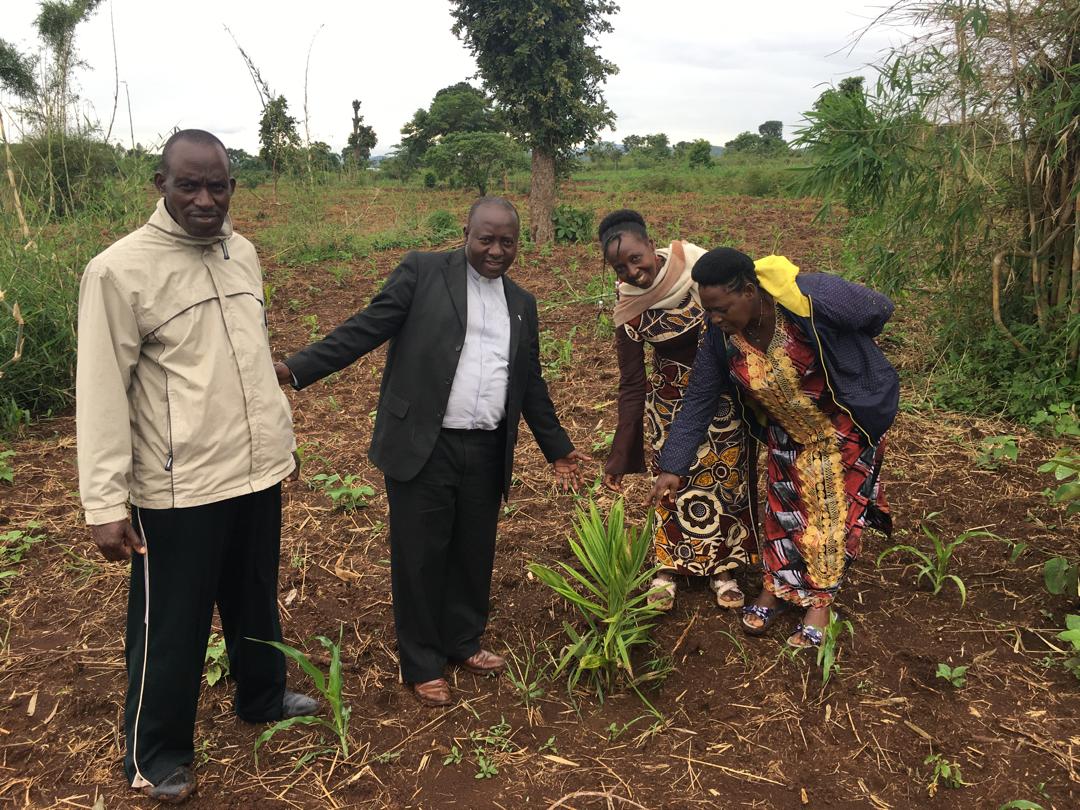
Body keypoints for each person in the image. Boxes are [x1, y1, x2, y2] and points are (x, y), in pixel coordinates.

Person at [76, 129, 317, 804]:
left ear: (232, 187)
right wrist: (104, 504)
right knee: (170, 628)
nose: (206, 199)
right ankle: (154, 755)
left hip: (253, 470)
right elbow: (100, 392)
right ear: (162, 185)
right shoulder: (119, 271)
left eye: (218, 185)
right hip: (177, 486)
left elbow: (246, 358)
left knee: (253, 596)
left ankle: (262, 697)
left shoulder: (243, 254)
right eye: (190, 184)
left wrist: (278, 447)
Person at [275, 197, 588, 708]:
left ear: (517, 244)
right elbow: (366, 327)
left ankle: (463, 641)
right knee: (420, 556)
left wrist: (558, 449)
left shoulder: (521, 303)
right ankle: (420, 661)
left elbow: (530, 383)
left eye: (506, 242)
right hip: (425, 442)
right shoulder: (423, 272)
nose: (495, 250)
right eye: (485, 238)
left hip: (487, 446)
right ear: (466, 232)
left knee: (473, 550)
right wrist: (297, 367)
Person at [651, 248, 896, 648]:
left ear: (749, 291)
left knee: (829, 518)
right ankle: (778, 590)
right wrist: (672, 466)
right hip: (787, 429)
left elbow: (877, 309)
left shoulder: (807, 299)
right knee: (783, 514)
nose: (713, 319)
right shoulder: (722, 337)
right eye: (708, 310)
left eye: (720, 309)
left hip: (844, 425)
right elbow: (699, 399)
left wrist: (854, 357)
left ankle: (820, 603)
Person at [598, 210, 755, 611]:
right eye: (620, 267)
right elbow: (632, 381)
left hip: (723, 398)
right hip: (667, 406)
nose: (633, 272)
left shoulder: (698, 271)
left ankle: (724, 570)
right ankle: (667, 568)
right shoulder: (628, 306)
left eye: (636, 258)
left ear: (652, 246)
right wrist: (620, 453)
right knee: (671, 482)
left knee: (726, 480)